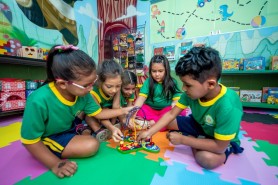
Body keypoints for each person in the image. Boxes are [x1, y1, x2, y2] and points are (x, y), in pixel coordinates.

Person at [21, 45, 133, 178]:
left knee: (90, 138)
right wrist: (55, 164)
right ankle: (47, 149)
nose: (91, 89)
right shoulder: (38, 100)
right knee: (91, 145)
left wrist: (125, 110)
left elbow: (99, 113)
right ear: (63, 84)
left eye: (93, 82)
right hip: (50, 136)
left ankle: (79, 131)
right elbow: (29, 140)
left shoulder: (83, 94)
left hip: (68, 129)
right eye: (87, 85)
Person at [137, 46, 244, 169]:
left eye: (187, 85)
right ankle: (199, 140)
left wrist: (184, 140)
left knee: (206, 159)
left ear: (210, 84)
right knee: (168, 122)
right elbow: (171, 114)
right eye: (183, 83)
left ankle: (206, 143)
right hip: (199, 125)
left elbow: (219, 146)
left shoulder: (229, 105)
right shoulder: (191, 92)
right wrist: (149, 132)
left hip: (221, 141)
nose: (183, 89)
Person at [129, 55, 182, 130]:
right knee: (138, 109)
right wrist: (133, 115)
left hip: (166, 110)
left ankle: (149, 124)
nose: (157, 74)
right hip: (150, 110)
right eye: (154, 71)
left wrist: (175, 102)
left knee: (180, 111)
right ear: (150, 70)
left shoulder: (172, 82)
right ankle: (158, 124)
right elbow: (141, 99)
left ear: (166, 70)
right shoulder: (148, 82)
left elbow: (177, 96)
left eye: (160, 71)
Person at [85, 60, 124, 142]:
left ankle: (109, 128)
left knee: (112, 110)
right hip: (96, 113)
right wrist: (111, 127)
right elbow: (99, 114)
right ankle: (98, 130)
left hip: (107, 112)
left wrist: (113, 125)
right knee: (89, 116)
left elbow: (116, 107)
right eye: (109, 86)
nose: (114, 90)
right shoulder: (93, 92)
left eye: (118, 86)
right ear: (100, 82)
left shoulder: (116, 86)